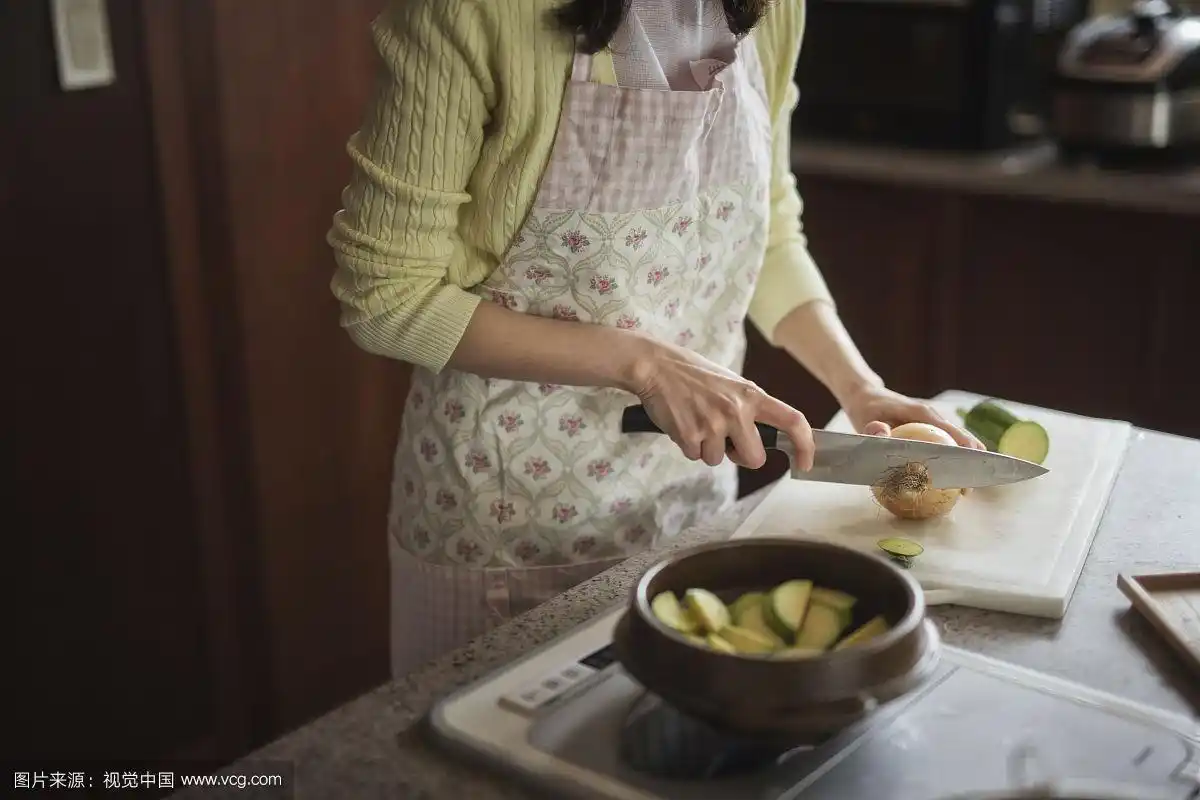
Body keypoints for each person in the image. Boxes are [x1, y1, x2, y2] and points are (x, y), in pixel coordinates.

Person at [327, 0, 982, 680]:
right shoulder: (468, 13)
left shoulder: (770, 7)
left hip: (690, 502)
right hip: (507, 526)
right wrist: (645, 365)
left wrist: (859, 388)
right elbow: (386, 298)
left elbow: (768, 231)